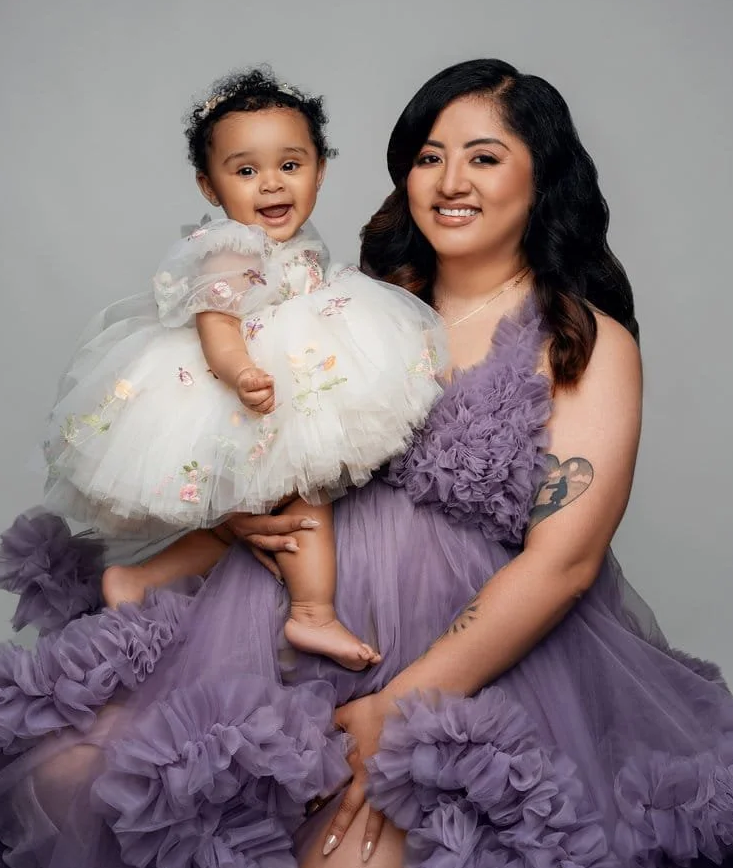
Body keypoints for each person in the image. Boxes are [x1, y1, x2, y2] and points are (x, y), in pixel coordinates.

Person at [0, 58, 733, 868]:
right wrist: (234, 522)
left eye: (484, 156)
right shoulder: (350, 304)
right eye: (430, 156)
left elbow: (564, 565)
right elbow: (248, 446)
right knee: (80, 777)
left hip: (458, 669)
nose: (451, 181)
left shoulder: (580, 341)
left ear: (541, 177)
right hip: (266, 636)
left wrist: (397, 707)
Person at [41, 67, 446, 672]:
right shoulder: (227, 248)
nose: (272, 186)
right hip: (249, 384)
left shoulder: (288, 240)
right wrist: (242, 375)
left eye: (290, 164)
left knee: (247, 520)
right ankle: (313, 613)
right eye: (246, 171)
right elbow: (217, 327)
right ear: (210, 186)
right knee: (304, 496)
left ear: (320, 168)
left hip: (294, 367)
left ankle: (139, 579)